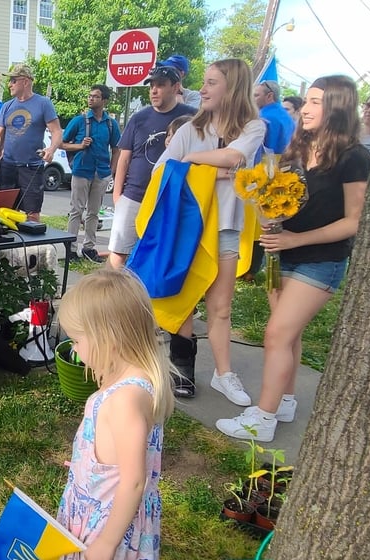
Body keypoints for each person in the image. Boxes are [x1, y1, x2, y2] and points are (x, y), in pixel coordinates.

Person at [217, 75, 370, 442]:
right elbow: (283, 198)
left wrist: (296, 237)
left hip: (321, 260)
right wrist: (272, 215)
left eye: (316, 102)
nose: (306, 109)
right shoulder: (296, 150)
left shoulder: (354, 156)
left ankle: (263, 418)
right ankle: (284, 400)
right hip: (281, 253)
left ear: (338, 106)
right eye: (306, 101)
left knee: (277, 334)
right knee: (289, 334)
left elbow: (354, 220)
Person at [39, 269, 171, 560]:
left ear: (108, 338)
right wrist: (86, 465)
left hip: (109, 522)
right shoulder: (142, 381)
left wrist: (108, 541)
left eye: (78, 341)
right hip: (116, 511)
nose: (76, 351)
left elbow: (132, 480)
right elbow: (120, 463)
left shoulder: (122, 401)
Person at [154, 58, 265, 403]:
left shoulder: (254, 128)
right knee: (184, 301)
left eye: (211, 82)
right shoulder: (189, 130)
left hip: (226, 230)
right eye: (203, 82)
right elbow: (161, 172)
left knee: (221, 307)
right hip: (187, 229)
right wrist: (205, 170)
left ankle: (224, 374)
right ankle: (182, 368)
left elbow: (235, 158)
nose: (201, 89)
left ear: (232, 88)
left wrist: (191, 162)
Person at [107, 65, 196, 269]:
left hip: (170, 198)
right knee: (119, 252)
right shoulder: (139, 118)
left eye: (161, 85)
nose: (154, 91)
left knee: (162, 255)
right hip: (134, 195)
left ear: (175, 87)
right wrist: (117, 196)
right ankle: (115, 297)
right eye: (151, 86)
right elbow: (124, 157)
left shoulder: (192, 117)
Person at [0, 63, 63, 222]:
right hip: (7, 166)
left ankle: (32, 246)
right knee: (4, 211)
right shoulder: (7, 106)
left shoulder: (43, 103)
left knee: (32, 214)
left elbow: (57, 131)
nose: (9, 84)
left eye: (13, 80)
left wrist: (51, 149)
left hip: (31, 168)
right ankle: (7, 246)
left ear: (26, 81)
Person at [61, 84, 121, 262]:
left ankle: (89, 248)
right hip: (81, 170)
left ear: (104, 100)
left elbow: (117, 148)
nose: (91, 99)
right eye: (90, 96)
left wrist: (112, 170)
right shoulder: (79, 121)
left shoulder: (111, 124)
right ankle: (70, 248)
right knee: (76, 210)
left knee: (94, 212)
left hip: (101, 172)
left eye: (95, 96)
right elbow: (62, 143)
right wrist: (79, 146)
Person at [247, 79, 296, 279]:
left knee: (257, 221)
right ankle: (266, 269)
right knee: (270, 221)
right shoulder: (287, 117)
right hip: (284, 168)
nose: (254, 98)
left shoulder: (264, 118)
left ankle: (250, 269)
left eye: (257, 95)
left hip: (265, 168)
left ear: (269, 96)